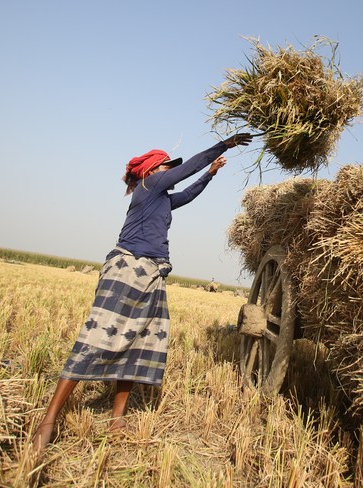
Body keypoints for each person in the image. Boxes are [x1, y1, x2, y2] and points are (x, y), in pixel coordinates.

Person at [30, 132, 252, 453]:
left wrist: (211, 174)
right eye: (166, 167)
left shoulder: (161, 198)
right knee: (95, 339)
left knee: (138, 342)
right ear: (151, 170)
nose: (169, 171)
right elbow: (185, 170)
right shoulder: (149, 187)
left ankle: (117, 418)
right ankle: (49, 419)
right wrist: (223, 144)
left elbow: (187, 192)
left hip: (153, 271)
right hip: (128, 267)